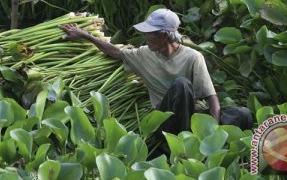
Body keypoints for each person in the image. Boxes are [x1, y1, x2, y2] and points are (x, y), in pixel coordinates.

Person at [60, 8, 221, 136]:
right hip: (165, 121)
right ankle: (183, 141)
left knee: (240, 114)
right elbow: (116, 52)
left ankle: (194, 138)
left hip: (191, 114)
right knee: (182, 84)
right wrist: (85, 35)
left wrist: (215, 131)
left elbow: (211, 97)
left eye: (149, 33)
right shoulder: (145, 54)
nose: (145, 37)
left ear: (164, 35)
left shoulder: (193, 57)